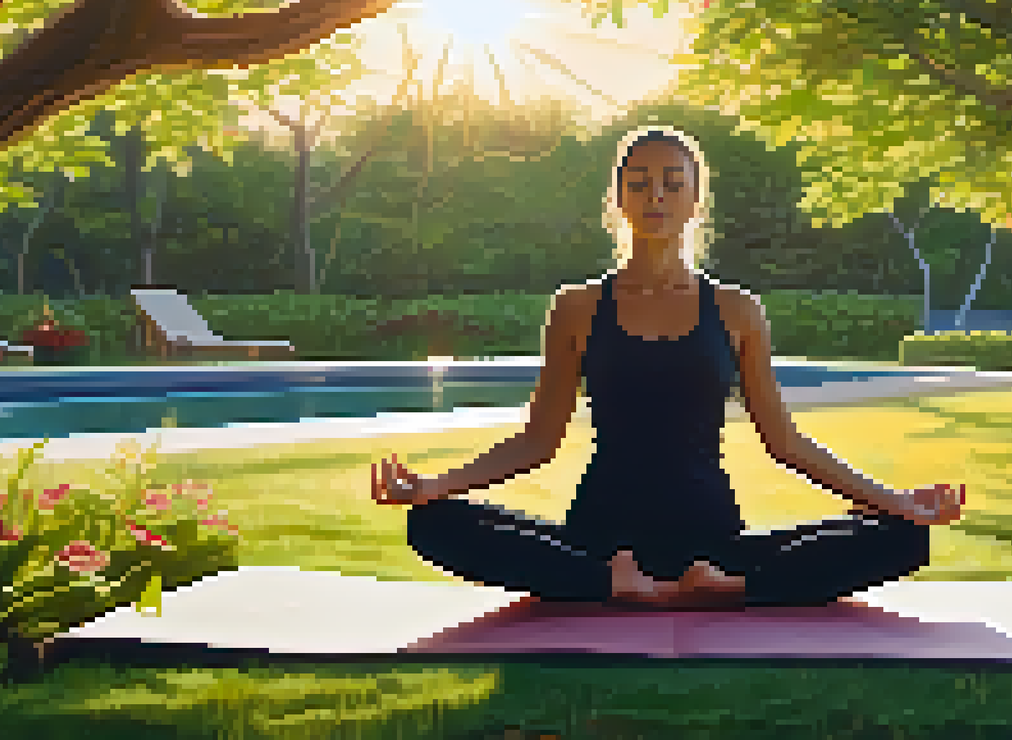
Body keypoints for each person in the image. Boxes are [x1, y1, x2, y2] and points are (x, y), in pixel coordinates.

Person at [372, 125, 965, 610]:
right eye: (640, 183)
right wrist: (431, 487)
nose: (655, 196)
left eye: (671, 183)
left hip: (710, 537)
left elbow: (784, 442)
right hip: (602, 536)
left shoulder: (736, 310)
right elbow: (536, 443)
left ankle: (723, 584)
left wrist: (896, 502)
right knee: (432, 525)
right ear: (620, 199)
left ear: (694, 199)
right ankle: (621, 582)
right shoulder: (577, 306)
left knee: (906, 538)